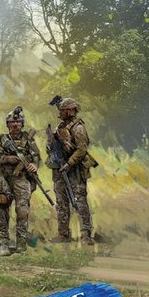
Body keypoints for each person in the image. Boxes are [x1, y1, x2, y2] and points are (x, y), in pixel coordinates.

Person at [0, 107, 41, 252]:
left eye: (18, 122)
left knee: (22, 210)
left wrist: (34, 165)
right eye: (12, 122)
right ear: (7, 124)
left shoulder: (28, 139)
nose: (15, 125)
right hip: (4, 179)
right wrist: (9, 159)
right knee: (1, 210)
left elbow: (36, 157)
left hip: (21, 179)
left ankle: (21, 243)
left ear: (22, 124)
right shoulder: (2, 140)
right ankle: (3, 243)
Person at [48, 98, 95, 245]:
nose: (60, 113)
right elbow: (52, 147)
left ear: (69, 111)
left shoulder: (78, 128)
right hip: (60, 170)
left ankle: (86, 234)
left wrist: (69, 163)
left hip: (75, 170)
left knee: (80, 201)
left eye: (62, 110)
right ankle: (63, 234)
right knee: (61, 202)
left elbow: (81, 149)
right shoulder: (60, 127)